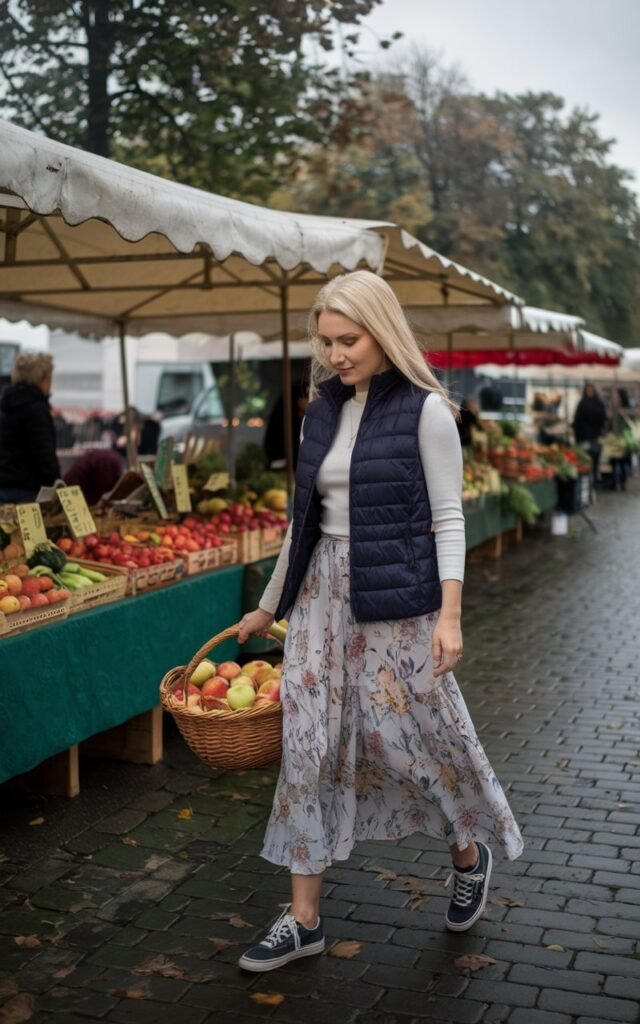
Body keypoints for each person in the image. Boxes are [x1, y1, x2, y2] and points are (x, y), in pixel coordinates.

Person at [235, 271, 523, 973]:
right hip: (319, 603)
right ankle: (303, 919)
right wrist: (271, 603)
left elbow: (448, 517)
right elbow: (303, 521)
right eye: (326, 341)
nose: (336, 354)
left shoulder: (426, 411)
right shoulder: (321, 412)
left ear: (382, 330)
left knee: (411, 743)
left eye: (349, 339)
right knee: (307, 747)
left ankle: (469, 852)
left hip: (396, 603)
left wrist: (449, 617)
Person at [0, 352, 60, 502]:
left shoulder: (5, 403)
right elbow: (45, 457)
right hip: (26, 492)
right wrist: (57, 488)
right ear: (43, 379)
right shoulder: (36, 409)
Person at [572, 383, 606, 484]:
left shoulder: (583, 403)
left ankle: (589, 480)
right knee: (591, 461)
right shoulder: (598, 404)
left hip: (586, 437)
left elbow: (577, 421)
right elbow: (603, 420)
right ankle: (593, 480)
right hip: (592, 437)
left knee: (586, 461)